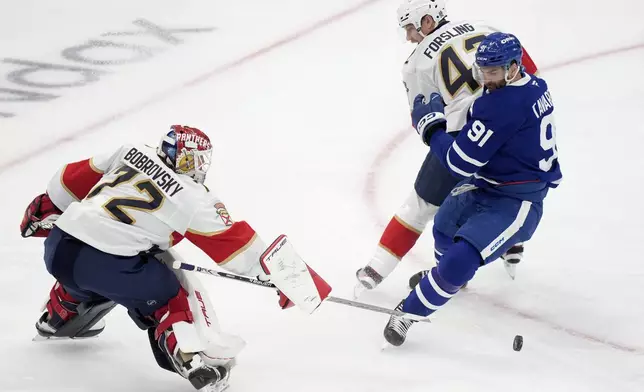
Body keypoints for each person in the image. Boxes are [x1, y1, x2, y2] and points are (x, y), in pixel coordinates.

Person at [20, 125, 291, 391]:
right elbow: (236, 245)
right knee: (173, 288)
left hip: (59, 248)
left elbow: (68, 180)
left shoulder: (131, 151)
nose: (196, 166)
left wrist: (45, 205)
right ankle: (191, 357)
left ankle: (58, 316)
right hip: (109, 265)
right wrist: (284, 275)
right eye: (191, 159)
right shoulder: (194, 197)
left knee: (86, 270)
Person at [382, 32, 562, 346]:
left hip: (517, 200)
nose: (484, 79)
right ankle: (446, 282)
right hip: (488, 182)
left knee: (460, 258)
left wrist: (432, 127)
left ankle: (409, 312)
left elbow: (457, 163)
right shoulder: (533, 85)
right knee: (443, 227)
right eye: (481, 70)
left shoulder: (504, 105)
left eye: (491, 72)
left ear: (512, 68)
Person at [355, 0, 538, 296]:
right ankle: (512, 244)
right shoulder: (486, 28)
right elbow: (530, 74)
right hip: (509, 130)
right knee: (505, 185)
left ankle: (375, 270)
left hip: (463, 137)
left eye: (411, 28)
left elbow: (423, 116)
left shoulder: (414, 64)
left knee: (421, 204)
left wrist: (436, 127)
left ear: (427, 21)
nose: (409, 37)